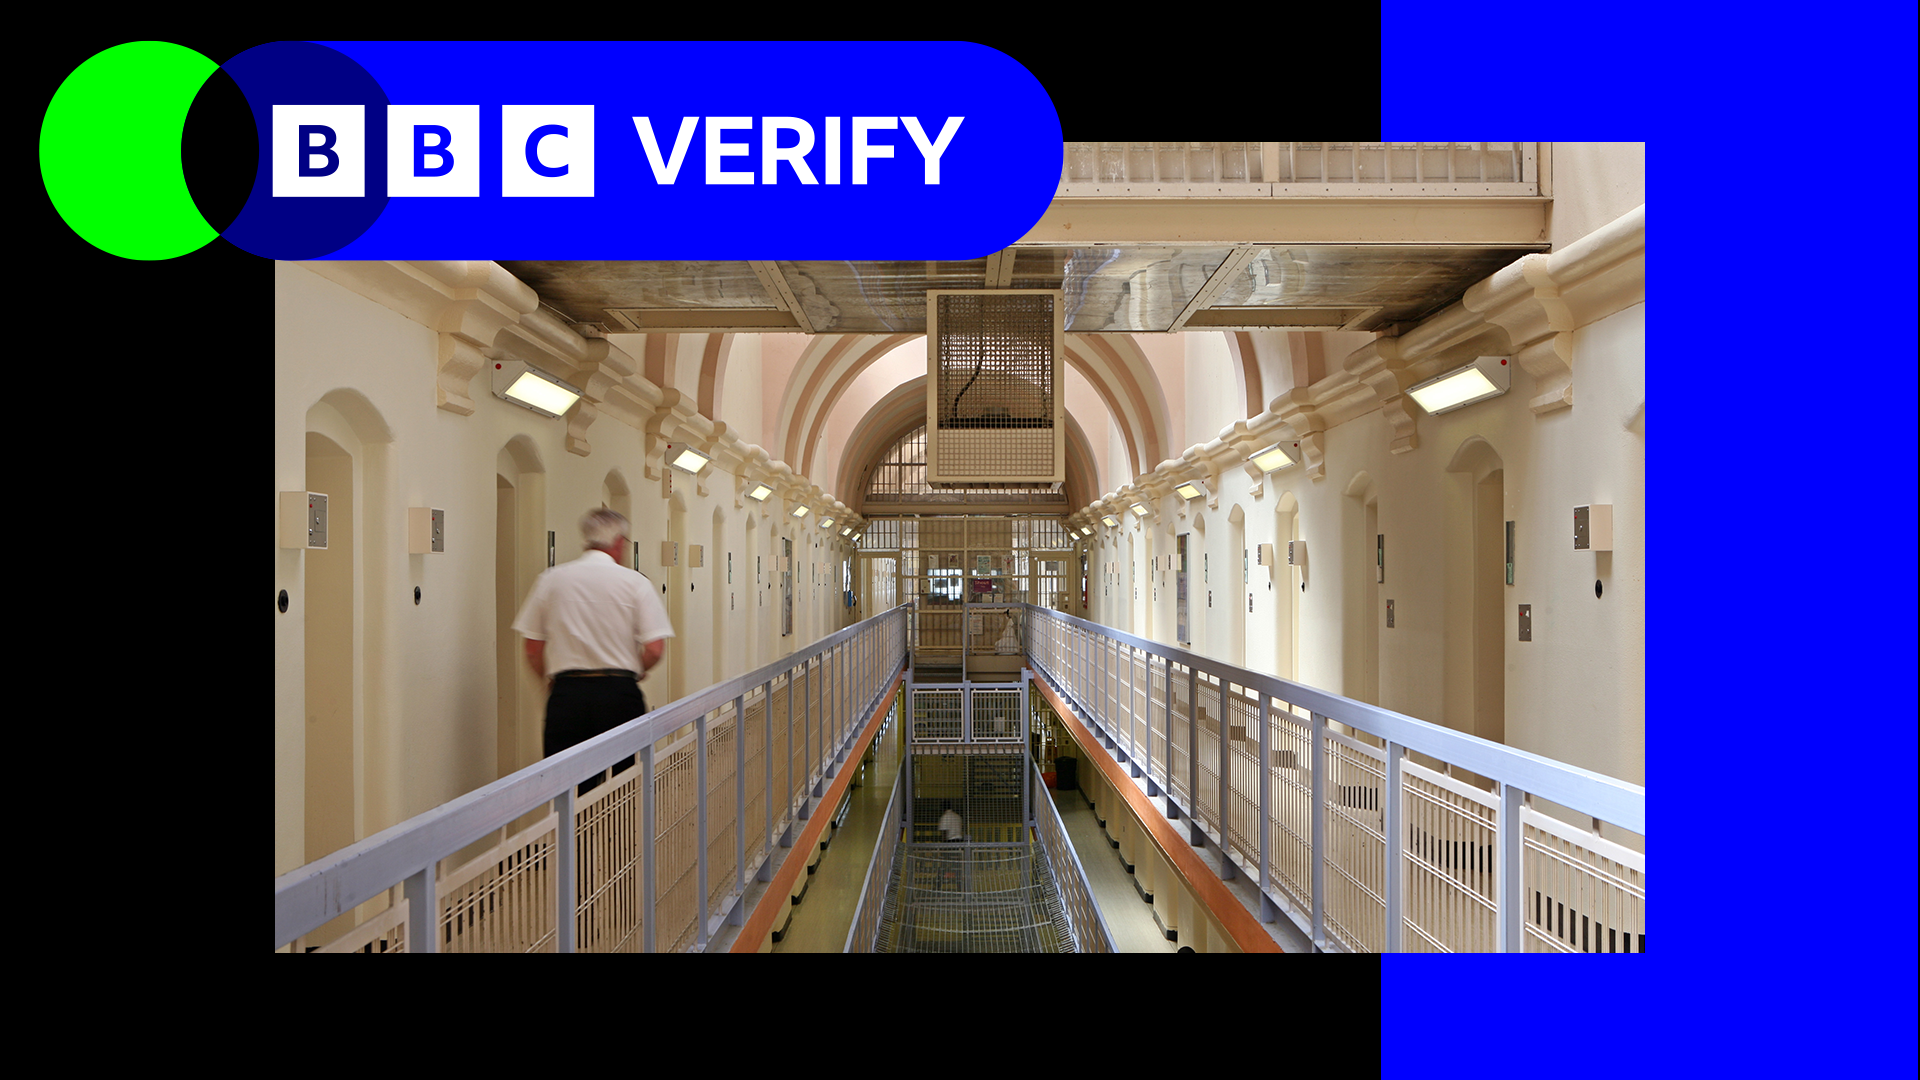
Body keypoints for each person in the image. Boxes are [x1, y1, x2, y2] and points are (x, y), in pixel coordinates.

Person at [512, 508, 674, 796]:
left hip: (568, 695)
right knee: (623, 784)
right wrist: (636, 671)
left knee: (569, 787)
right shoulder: (635, 582)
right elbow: (655, 648)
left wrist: (551, 682)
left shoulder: (551, 579)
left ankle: (575, 839)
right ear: (619, 542)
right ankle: (618, 837)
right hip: (619, 694)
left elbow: (533, 649)